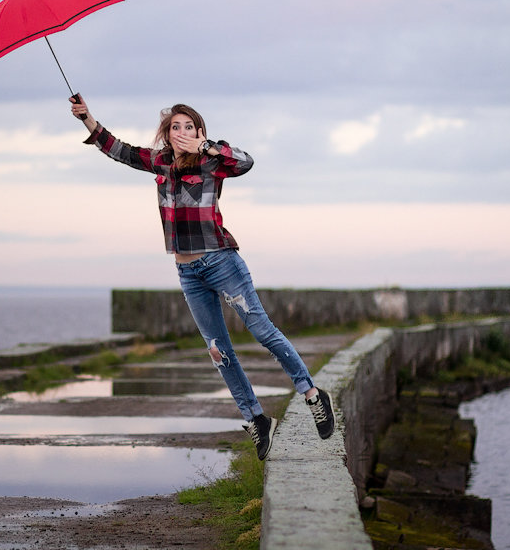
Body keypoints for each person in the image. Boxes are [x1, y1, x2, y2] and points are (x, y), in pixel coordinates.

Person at [69, 95, 335, 460]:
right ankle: (256, 420)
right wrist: (88, 119)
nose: (181, 132)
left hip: (221, 261)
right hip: (187, 271)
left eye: (188, 127)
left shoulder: (212, 162)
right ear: (166, 133)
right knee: (217, 351)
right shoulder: (160, 162)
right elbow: (119, 150)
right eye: (175, 127)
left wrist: (206, 146)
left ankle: (312, 394)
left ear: (199, 131)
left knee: (261, 330)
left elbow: (246, 161)